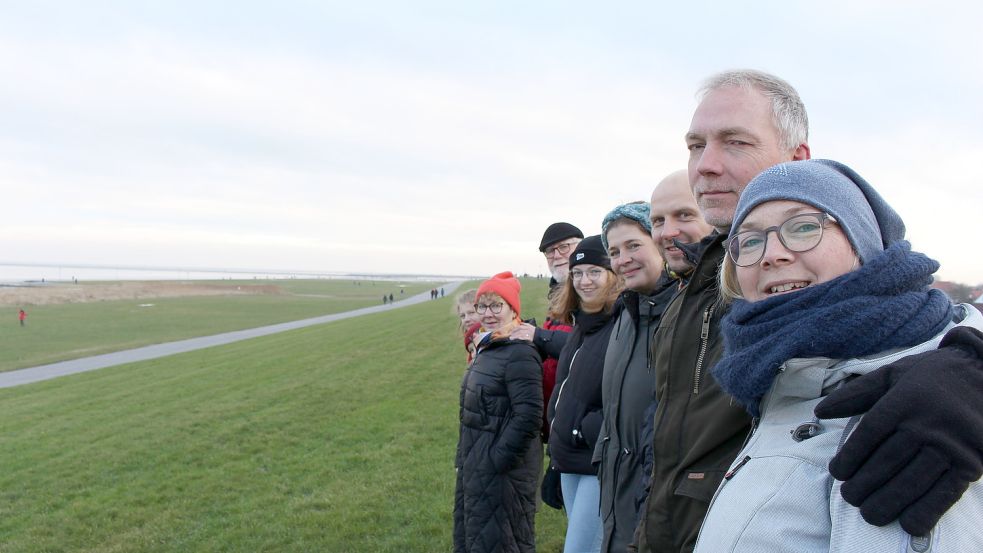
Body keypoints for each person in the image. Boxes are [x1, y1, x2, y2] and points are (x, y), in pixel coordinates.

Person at [635, 69, 983, 553]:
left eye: (734, 142)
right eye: (696, 145)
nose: (706, 165)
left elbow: (928, 319)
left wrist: (969, 368)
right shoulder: (690, 288)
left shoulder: (898, 367)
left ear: (798, 154)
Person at [693, 159, 983, 552]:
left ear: (863, 245)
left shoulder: (911, 412)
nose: (771, 254)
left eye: (804, 227)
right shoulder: (784, 376)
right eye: (750, 239)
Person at [516, 235, 625, 553]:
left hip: (595, 461)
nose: (584, 281)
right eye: (577, 274)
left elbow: (626, 397)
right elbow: (567, 390)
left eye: (594, 272)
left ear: (611, 275)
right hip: (568, 457)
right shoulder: (581, 325)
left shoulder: (620, 324)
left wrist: (585, 431)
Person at [589, 201, 675, 553]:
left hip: (655, 502)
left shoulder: (681, 317)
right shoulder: (625, 315)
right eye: (614, 251)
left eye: (633, 245)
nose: (622, 258)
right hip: (614, 495)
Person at [454, 271, 544, 553]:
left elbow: (529, 415)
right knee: (477, 540)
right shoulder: (488, 346)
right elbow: (469, 412)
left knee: (505, 542)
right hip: (476, 466)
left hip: (503, 473)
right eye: (482, 306)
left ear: (512, 308)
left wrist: (497, 460)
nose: (488, 313)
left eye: (497, 305)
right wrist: (465, 459)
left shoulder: (519, 352)